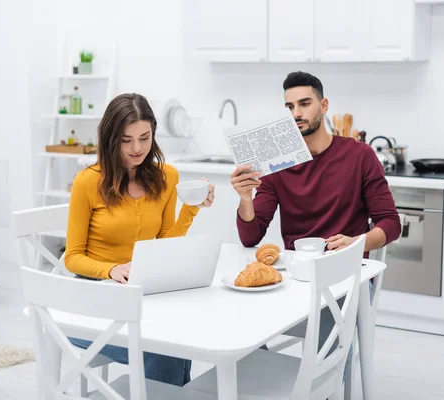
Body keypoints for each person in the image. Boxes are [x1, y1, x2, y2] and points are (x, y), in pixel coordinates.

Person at [231, 71, 401, 377]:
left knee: (326, 359)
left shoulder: (359, 156)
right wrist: (245, 198)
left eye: (304, 103)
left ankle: (326, 388)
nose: (296, 113)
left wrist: (357, 241)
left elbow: (391, 223)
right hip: (295, 279)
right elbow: (250, 236)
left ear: (323, 105)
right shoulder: (278, 164)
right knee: (241, 322)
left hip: (348, 280)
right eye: (289, 107)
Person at [64, 93, 215, 386]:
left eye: (145, 138)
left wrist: (192, 208)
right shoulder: (87, 182)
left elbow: (164, 244)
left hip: (142, 292)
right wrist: (111, 270)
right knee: (163, 346)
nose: (137, 148)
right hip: (92, 303)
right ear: (110, 139)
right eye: (126, 140)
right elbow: (72, 257)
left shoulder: (167, 177)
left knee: (184, 330)